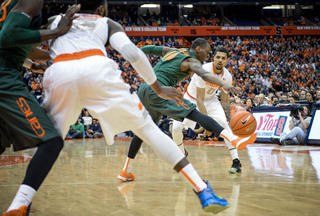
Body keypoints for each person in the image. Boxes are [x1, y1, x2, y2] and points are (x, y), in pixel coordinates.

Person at [42, 0, 230, 213]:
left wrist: (33, 62)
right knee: (148, 130)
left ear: (76, 6)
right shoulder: (107, 22)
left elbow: (15, 39)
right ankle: (201, 188)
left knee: (50, 142)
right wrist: (158, 88)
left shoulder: (56, 20)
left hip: (60, 74)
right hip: (97, 72)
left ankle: (20, 203)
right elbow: (134, 54)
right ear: (102, 8)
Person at [117, 39, 257, 182]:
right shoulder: (192, 62)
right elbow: (204, 74)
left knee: (142, 131)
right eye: (207, 52)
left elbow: (151, 48)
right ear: (198, 50)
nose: (208, 56)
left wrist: (131, 52)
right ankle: (233, 139)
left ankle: (126, 171)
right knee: (194, 114)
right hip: (160, 90)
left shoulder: (175, 51)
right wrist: (223, 84)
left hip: (144, 89)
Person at [0, 0, 80, 215]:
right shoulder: (32, 0)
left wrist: (40, 62)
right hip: (4, 76)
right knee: (51, 141)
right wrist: (57, 32)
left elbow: (16, 43)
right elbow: (7, 37)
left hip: (8, 68)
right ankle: (20, 205)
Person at [171, 46, 242, 173]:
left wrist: (230, 119)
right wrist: (207, 126)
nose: (220, 60)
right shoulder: (204, 70)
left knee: (225, 125)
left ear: (227, 61)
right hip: (191, 99)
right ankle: (182, 155)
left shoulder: (227, 76)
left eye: (223, 58)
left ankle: (236, 161)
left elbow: (225, 101)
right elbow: (199, 100)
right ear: (213, 58)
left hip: (211, 101)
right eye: (218, 57)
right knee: (175, 128)